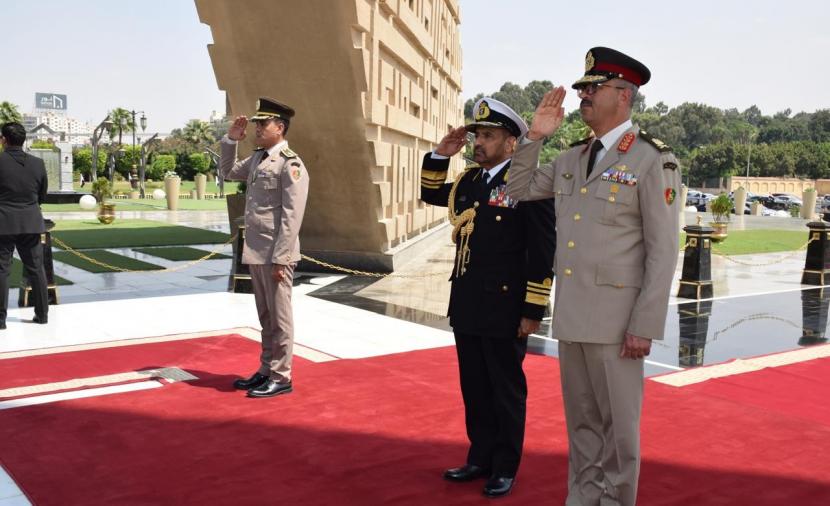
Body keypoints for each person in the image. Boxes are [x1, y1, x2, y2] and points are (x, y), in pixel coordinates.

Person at [506, 47, 681, 505]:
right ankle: (582, 499)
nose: (582, 95)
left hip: (618, 324)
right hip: (574, 318)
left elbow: (663, 250)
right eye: (582, 88)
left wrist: (644, 324)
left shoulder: (650, 160)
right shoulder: (569, 159)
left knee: (619, 433)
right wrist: (534, 137)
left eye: (592, 88)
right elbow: (516, 190)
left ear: (623, 96)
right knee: (581, 426)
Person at [420, 97, 556, 498]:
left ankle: (504, 466)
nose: (478, 142)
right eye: (477, 134)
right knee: (474, 386)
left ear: (512, 142)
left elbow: (543, 249)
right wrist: (439, 156)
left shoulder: (527, 182)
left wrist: (533, 308)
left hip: (506, 304)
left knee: (505, 390)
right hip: (468, 300)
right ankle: (479, 456)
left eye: (489, 135)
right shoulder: (468, 181)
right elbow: (432, 195)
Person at [219, 98, 309, 398]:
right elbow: (229, 172)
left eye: (263, 123)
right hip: (257, 250)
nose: (257, 128)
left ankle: (282, 377)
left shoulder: (290, 163)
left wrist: (282, 257)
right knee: (266, 316)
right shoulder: (259, 158)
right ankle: (266, 369)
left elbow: (292, 216)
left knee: (280, 317)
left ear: (279, 127)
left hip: (276, 253)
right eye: (257, 123)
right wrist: (231, 140)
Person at [0, 122, 50, 329]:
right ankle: (42, 314)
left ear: (4, 139)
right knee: (36, 269)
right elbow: (42, 194)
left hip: (3, 223)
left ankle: (1, 320)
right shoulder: (38, 164)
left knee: (2, 271)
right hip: (30, 221)